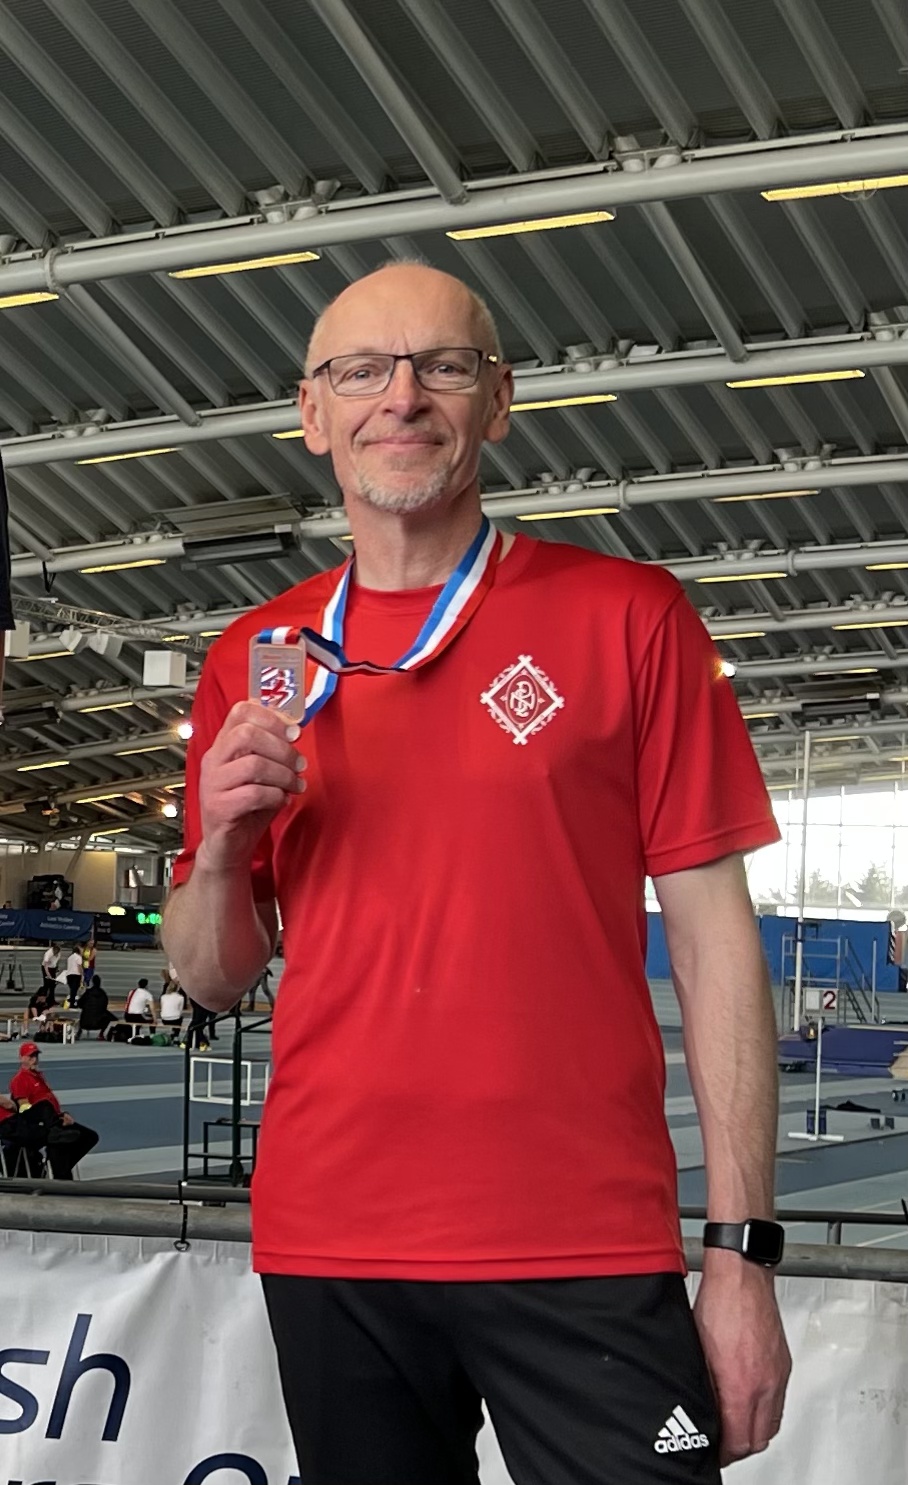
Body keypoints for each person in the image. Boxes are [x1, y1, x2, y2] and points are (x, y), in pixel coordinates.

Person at [163, 263, 790, 1483]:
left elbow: (716, 943)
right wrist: (226, 846)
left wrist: (739, 1254)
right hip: (333, 1242)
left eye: (441, 366)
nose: (400, 397)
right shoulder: (258, 656)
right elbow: (211, 974)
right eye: (361, 371)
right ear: (312, 415)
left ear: (496, 402)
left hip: (579, 1238)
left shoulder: (628, 617)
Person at [9, 1042, 98, 1178]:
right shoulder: (20, 1079)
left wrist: (62, 1115)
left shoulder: (38, 1076)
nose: (35, 1059)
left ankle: (61, 1165)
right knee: (46, 1109)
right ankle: (60, 1168)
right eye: (31, 1056)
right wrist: (44, 1116)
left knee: (90, 1137)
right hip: (38, 1122)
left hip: (53, 1119)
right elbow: (23, 1107)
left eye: (36, 1056)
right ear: (22, 1058)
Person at [75, 974, 115, 1041]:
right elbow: (104, 1006)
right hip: (98, 1023)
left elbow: (79, 1003)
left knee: (84, 1013)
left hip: (84, 1022)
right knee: (107, 1017)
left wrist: (86, 1007)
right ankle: (101, 1034)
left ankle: (79, 1032)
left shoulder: (88, 993)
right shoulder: (103, 994)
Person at [160, 979, 187, 1044]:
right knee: (179, 1017)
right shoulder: (180, 997)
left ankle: (173, 1033)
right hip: (175, 1019)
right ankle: (176, 1036)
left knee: (175, 1016)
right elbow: (180, 1010)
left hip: (164, 1018)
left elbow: (162, 1007)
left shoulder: (163, 997)